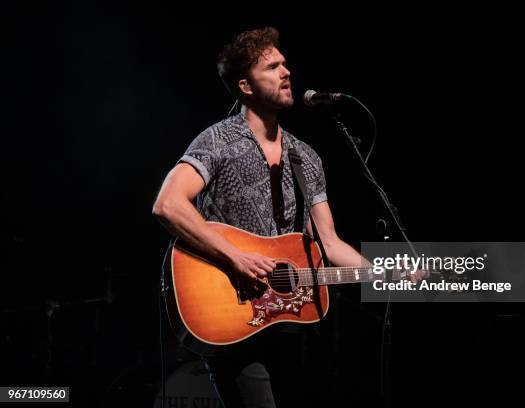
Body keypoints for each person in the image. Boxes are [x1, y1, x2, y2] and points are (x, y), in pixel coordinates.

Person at [153, 27, 423, 408]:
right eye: (272, 67)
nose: (286, 72)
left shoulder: (306, 157)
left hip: (291, 319)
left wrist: (384, 274)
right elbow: (168, 205)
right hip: (234, 310)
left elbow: (330, 244)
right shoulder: (217, 141)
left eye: (285, 64)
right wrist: (237, 257)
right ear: (245, 86)